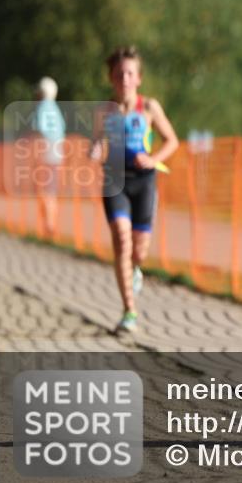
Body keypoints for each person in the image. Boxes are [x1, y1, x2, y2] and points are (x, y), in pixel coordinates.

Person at [91, 46, 179, 333]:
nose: (124, 79)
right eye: (119, 74)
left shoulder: (150, 107)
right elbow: (95, 142)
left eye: (129, 73)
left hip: (144, 181)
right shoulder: (104, 111)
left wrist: (153, 159)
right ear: (111, 78)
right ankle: (129, 311)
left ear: (138, 78)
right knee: (121, 238)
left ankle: (135, 269)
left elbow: (172, 141)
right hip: (115, 179)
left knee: (138, 251)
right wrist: (94, 149)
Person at [31, 77, 65, 240]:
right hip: (57, 155)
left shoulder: (41, 108)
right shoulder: (56, 109)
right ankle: (51, 225)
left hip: (44, 154)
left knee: (44, 190)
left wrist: (35, 156)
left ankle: (48, 225)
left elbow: (38, 133)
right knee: (52, 191)